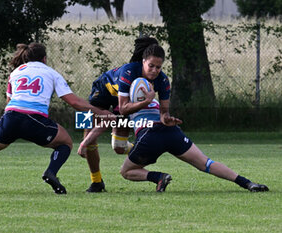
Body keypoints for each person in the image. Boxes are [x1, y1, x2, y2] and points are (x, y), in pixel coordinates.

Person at [0, 42, 113, 196]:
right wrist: (100, 112)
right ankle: (51, 172)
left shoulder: (15, 72)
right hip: (34, 120)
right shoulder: (51, 73)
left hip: (10, 118)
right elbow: (75, 102)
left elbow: (9, 103)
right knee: (66, 143)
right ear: (44, 58)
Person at [115, 42, 269, 193]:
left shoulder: (157, 83)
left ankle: (159, 177)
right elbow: (124, 109)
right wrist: (150, 103)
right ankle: (246, 183)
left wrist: (167, 118)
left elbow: (160, 113)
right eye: (151, 66)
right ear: (143, 61)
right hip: (169, 133)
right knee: (205, 164)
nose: (155, 70)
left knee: (126, 171)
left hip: (152, 135)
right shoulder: (131, 76)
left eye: (159, 67)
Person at [79, 37, 159, 192]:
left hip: (121, 101)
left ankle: (141, 152)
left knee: (119, 147)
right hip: (101, 89)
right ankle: (96, 182)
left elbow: (115, 118)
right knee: (88, 134)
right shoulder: (130, 76)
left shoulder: (151, 76)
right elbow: (108, 120)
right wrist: (85, 142)